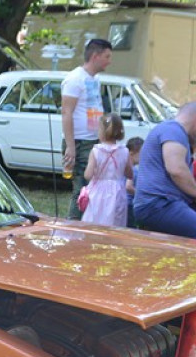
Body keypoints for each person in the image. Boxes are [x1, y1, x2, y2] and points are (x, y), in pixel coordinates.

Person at [133, 101, 196, 243]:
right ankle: (194, 264)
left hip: (170, 201)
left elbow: (177, 177)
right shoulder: (173, 130)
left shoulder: (175, 132)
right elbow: (176, 169)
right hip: (156, 205)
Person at [61, 37, 113, 219]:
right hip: (80, 142)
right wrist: (70, 146)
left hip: (93, 140)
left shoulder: (95, 79)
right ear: (95, 56)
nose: (109, 61)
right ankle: (72, 229)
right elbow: (66, 112)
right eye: (107, 56)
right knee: (82, 188)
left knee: (92, 187)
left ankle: (85, 224)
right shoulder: (75, 79)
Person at [81, 113, 133, 227]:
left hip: (98, 190)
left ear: (101, 131)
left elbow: (88, 175)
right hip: (117, 190)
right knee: (115, 221)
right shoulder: (124, 151)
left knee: (94, 219)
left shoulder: (96, 151)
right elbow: (130, 174)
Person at [124, 136, 144, 228]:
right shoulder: (132, 169)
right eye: (141, 153)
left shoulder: (124, 166)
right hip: (129, 205)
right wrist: (140, 194)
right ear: (131, 154)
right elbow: (128, 186)